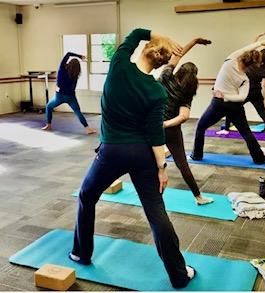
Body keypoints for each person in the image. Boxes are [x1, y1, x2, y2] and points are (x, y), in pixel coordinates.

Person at [69, 28, 196, 288]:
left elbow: (136, 33)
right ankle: (179, 275)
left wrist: (164, 36)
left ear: (145, 48)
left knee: (87, 196)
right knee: (156, 213)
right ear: (161, 59)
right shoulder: (156, 91)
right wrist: (162, 168)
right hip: (142, 155)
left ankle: (81, 253)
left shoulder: (118, 66)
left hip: (111, 152)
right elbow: (155, 134)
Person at [190, 38, 265, 164]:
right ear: (251, 65)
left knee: (201, 126)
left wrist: (260, 43)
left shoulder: (230, 60)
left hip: (218, 103)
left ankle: (196, 155)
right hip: (235, 106)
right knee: (246, 132)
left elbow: (245, 49)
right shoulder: (245, 78)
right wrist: (227, 97)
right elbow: (241, 97)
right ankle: (260, 159)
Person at [159, 37, 214, 205]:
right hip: (170, 130)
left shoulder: (166, 74)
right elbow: (184, 116)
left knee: (142, 160)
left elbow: (179, 53)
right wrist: (166, 124)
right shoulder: (186, 92)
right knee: (182, 164)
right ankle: (199, 197)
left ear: (179, 70)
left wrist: (194, 41)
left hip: (151, 125)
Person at [217, 33, 265, 140]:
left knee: (230, 108)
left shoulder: (250, 64)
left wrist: (257, 40)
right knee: (262, 113)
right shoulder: (264, 70)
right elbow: (264, 86)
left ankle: (226, 129)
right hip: (256, 93)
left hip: (244, 92)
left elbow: (250, 50)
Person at [42, 52, 96, 134]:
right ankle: (87, 128)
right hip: (71, 97)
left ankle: (48, 125)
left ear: (69, 63)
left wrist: (79, 56)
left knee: (48, 107)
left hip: (59, 96)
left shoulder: (62, 68)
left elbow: (68, 54)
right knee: (78, 112)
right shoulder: (75, 74)